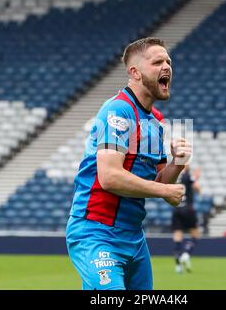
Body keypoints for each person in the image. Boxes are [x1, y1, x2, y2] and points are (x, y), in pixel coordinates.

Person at [66, 37, 191, 290]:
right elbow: (109, 177)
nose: (167, 66)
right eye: (157, 62)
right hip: (96, 231)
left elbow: (161, 184)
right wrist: (165, 190)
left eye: (168, 61)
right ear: (134, 72)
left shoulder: (156, 121)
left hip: (133, 236)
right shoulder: (118, 111)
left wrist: (178, 163)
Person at [172, 165, 201, 273]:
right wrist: (196, 178)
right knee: (195, 235)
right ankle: (186, 253)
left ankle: (178, 265)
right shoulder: (187, 176)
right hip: (188, 209)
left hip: (177, 209)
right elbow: (196, 187)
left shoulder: (174, 176)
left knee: (177, 237)